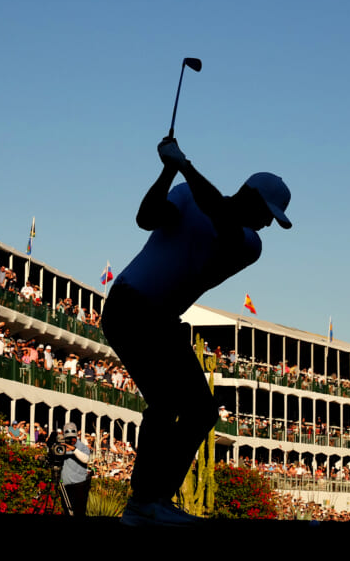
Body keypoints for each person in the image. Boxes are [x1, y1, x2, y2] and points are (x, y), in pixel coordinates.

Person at [101, 137, 291, 526]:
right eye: (269, 213)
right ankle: (147, 502)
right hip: (130, 305)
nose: (269, 223)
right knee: (180, 405)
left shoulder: (249, 244)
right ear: (252, 196)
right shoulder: (188, 193)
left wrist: (183, 165)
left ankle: (146, 502)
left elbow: (219, 214)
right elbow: (147, 217)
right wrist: (169, 169)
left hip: (154, 316)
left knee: (187, 408)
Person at [60, 421, 92, 516]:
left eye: (72, 437)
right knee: (66, 511)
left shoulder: (82, 447)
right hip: (65, 486)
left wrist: (73, 449)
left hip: (79, 485)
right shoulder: (61, 445)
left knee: (79, 512)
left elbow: (85, 459)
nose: (70, 440)